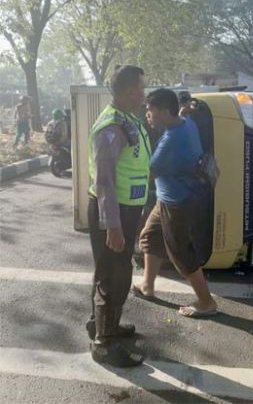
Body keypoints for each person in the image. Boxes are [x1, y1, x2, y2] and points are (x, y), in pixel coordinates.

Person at [85, 65, 151, 367]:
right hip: (113, 214)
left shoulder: (127, 120)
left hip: (125, 211)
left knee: (114, 272)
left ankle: (101, 324)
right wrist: (112, 226)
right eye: (142, 88)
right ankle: (104, 343)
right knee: (113, 276)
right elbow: (105, 182)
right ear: (128, 92)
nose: (145, 93)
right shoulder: (112, 127)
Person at [131, 88, 217, 318]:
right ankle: (147, 286)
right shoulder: (186, 123)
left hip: (177, 204)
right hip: (169, 199)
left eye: (150, 111)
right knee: (149, 236)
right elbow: (183, 112)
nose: (147, 115)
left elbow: (149, 172)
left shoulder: (169, 141)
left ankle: (206, 302)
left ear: (164, 112)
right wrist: (185, 108)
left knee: (181, 255)